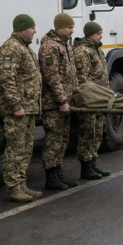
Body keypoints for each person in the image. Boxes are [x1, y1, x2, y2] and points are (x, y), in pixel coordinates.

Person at [0, 14, 43, 202]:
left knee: (25, 149)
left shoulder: (25, 48)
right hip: (18, 109)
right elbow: (7, 79)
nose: (35, 31)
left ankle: (22, 185)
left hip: (29, 107)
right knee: (15, 149)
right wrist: (16, 105)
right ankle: (13, 188)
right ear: (23, 28)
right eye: (32, 28)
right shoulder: (11, 48)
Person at [39, 13, 79, 190]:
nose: (72, 31)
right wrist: (62, 100)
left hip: (66, 101)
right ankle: (51, 176)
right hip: (54, 103)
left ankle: (58, 172)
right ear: (59, 28)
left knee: (63, 139)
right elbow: (51, 76)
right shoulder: (50, 47)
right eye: (69, 27)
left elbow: (71, 75)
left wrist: (76, 94)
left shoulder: (66, 46)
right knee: (53, 140)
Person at [73, 22, 111, 179]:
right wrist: (89, 97)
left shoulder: (97, 50)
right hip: (90, 100)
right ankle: (86, 166)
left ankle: (93, 164)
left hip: (100, 98)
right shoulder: (83, 51)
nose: (101, 36)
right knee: (88, 133)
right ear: (90, 34)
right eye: (98, 33)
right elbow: (82, 79)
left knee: (97, 132)